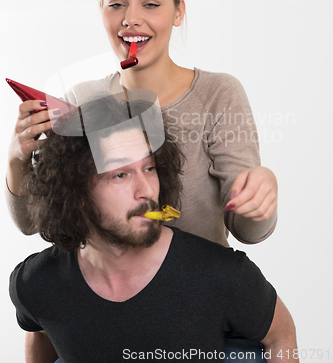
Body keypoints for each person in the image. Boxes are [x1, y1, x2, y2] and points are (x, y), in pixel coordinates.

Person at [6, 0, 278, 360]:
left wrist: (260, 192)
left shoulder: (219, 95)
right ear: (102, 12)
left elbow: (251, 232)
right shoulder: (83, 101)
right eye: (117, 5)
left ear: (178, 12)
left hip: (198, 314)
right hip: (107, 312)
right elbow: (37, 223)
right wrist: (19, 158)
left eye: (151, 4)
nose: (131, 19)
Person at [10, 96, 297, 363]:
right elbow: (39, 329)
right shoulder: (34, 282)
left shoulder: (223, 276)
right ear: (75, 193)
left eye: (149, 168)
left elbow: (281, 336)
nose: (147, 190)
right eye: (120, 174)